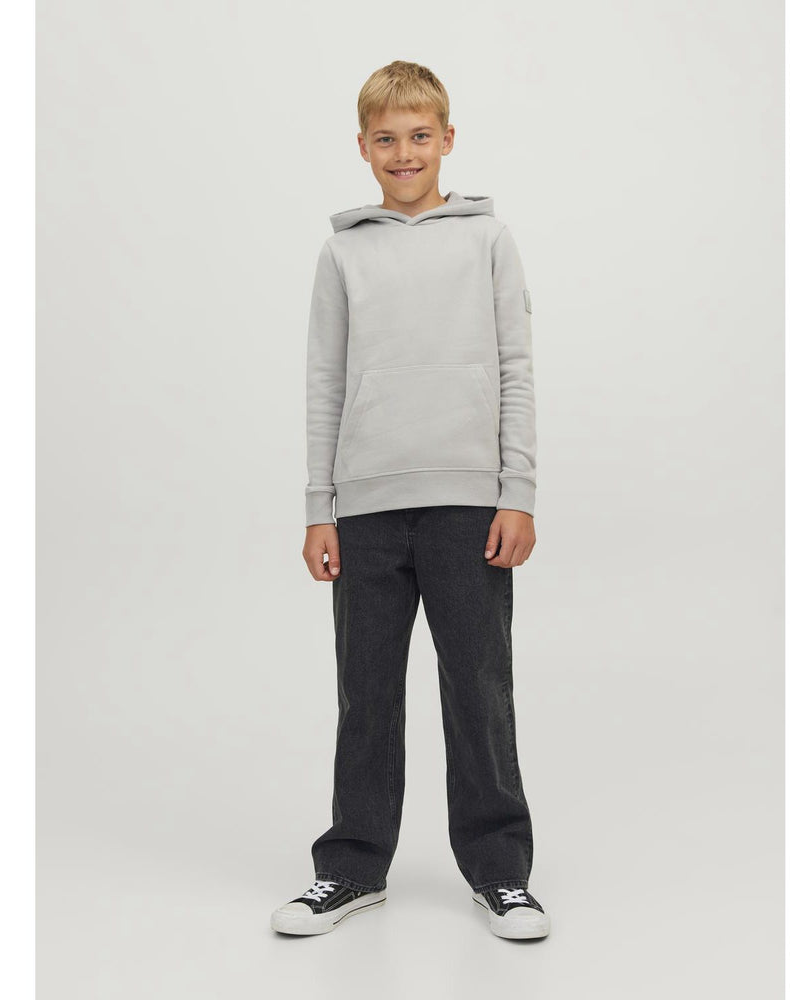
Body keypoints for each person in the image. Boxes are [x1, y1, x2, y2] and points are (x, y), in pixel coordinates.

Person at [270, 60, 549, 940]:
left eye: (420, 135)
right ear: (363, 146)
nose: (404, 152)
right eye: (386, 138)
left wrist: (518, 491)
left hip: (469, 506)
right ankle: (352, 869)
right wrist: (320, 506)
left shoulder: (488, 240)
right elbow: (324, 381)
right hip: (366, 510)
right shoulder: (343, 252)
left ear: (447, 139)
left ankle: (500, 873)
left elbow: (515, 369)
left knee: (479, 688)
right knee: (366, 694)